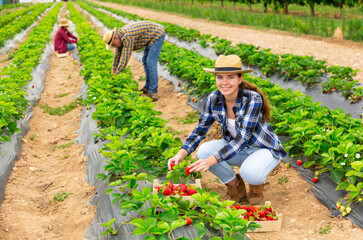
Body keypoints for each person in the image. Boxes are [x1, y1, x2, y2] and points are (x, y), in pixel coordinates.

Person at [168, 55, 287, 205]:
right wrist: (181, 153)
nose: (224, 83)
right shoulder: (213, 99)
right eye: (219, 77)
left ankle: (256, 187)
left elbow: (243, 138)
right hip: (237, 149)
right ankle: (235, 185)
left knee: (250, 173)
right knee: (204, 151)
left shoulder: (252, 99)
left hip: (263, 149)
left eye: (230, 77)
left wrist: (211, 161)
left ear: (240, 78)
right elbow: (200, 130)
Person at [102, 21, 165, 102]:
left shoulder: (127, 37)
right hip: (149, 35)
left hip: (157, 34)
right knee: (145, 61)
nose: (114, 47)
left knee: (150, 61)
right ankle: (147, 87)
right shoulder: (120, 36)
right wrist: (113, 70)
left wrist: (116, 75)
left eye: (113, 44)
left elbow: (125, 58)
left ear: (116, 38)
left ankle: (153, 92)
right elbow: (117, 55)